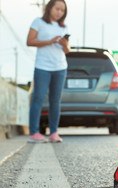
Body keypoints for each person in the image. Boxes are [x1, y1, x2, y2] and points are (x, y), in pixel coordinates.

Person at [26, 0, 70, 143]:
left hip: (60, 67)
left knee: (55, 100)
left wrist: (65, 44)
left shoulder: (63, 27)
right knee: (38, 97)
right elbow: (30, 41)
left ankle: (54, 133)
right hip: (43, 66)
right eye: (57, 9)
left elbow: (67, 51)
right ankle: (33, 133)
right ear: (50, 8)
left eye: (62, 10)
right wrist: (50, 41)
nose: (59, 12)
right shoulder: (38, 22)